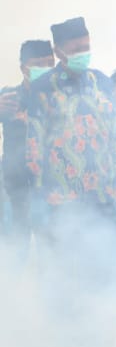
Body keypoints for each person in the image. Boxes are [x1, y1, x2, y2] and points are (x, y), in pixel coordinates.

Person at [26, 17, 116, 283]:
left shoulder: (102, 82)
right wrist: (38, 197)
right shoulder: (41, 88)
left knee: (108, 274)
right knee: (66, 277)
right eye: (75, 49)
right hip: (62, 203)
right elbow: (34, 145)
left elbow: (114, 138)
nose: (82, 54)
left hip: (105, 198)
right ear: (59, 51)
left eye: (86, 47)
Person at [0, 39, 54, 263]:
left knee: (50, 254)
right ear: (24, 68)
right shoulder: (8, 97)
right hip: (14, 189)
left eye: (49, 64)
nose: (45, 69)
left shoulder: (60, 98)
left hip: (50, 189)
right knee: (13, 252)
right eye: (38, 64)